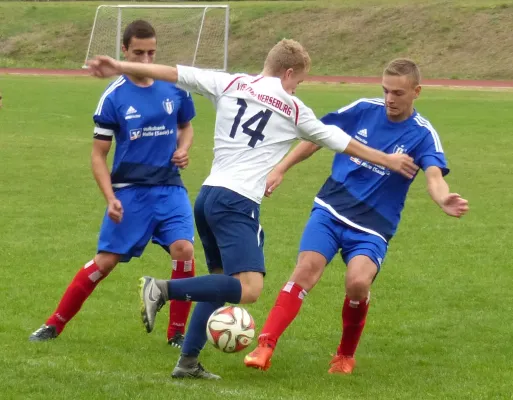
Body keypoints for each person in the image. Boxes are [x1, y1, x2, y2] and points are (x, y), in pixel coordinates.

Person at [87, 39, 418, 379]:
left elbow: (171, 72)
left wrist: (121, 66)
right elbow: (342, 141)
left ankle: (187, 362)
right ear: (289, 73)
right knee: (249, 289)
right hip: (237, 203)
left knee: (217, 281)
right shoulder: (293, 108)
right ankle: (162, 289)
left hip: (208, 196)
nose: (297, 87)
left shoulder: (229, 82)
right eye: (298, 81)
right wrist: (387, 160)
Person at [244, 58, 470, 374]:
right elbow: (316, 138)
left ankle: (345, 355)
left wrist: (444, 198)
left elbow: (433, 175)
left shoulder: (423, 134)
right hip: (332, 208)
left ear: (416, 92)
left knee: (358, 282)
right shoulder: (364, 109)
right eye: (386, 90)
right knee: (306, 270)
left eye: (398, 93)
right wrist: (281, 168)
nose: (390, 99)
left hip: (374, 225)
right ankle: (265, 344)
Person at [29, 20, 196, 348]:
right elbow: (98, 155)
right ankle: (54, 323)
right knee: (105, 262)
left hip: (169, 187)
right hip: (130, 191)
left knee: (184, 250)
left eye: (151, 53)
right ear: (125, 51)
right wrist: (109, 197)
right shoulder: (113, 98)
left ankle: (176, 333)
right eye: (138, 53)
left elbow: (186, 126)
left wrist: (183, 148)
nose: (146, 60)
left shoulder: (175, 87)